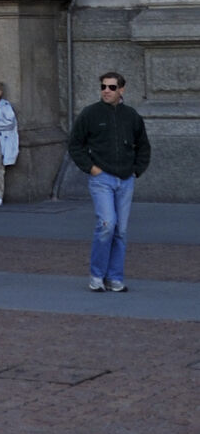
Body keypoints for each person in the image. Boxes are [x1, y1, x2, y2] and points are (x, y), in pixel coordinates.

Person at [69, 69, 152, 292]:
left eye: (112, 87)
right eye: (103, 87)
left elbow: (143, 145)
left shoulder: (132, 116)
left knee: (121, 231)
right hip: (101, 178)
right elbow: (75, 144)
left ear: (121, 90)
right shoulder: (90, 114)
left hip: (126, 179)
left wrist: (137, 170)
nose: (106, 91)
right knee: (106, 224)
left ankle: (115, 277)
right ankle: (97, 276)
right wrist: (91, 168)